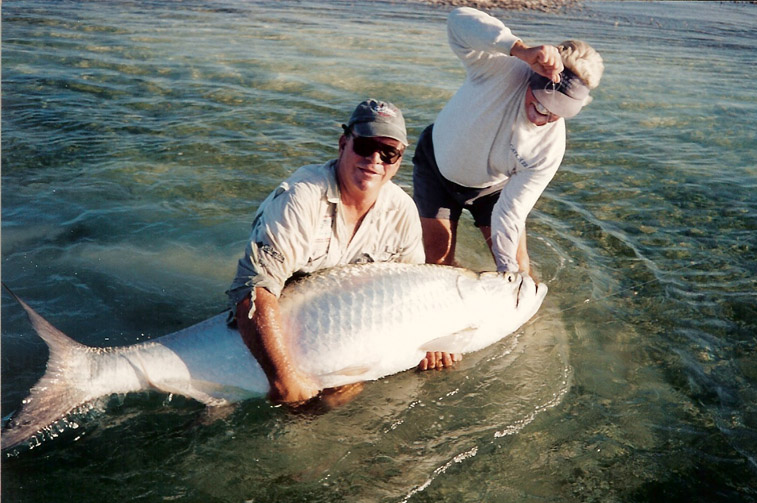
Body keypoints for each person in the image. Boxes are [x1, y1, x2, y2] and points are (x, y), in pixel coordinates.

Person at [227, 99, 424, 405]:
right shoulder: (301, 198)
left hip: (342, 325)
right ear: (344, 143)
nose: (375, 160)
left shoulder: (402, 212)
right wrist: (285, 379)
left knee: (339, 399)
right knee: (283, 396)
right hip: (274, 318)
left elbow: (411, 295)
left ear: (399, 160)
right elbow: (251, 290)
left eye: (389, 153)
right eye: (365, 146)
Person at [413, 7, 604, 279]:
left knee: (518, 271)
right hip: (437, 167)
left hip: (493, 189)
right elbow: (458, 20)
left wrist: (508, 273)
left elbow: (510, 214)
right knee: (437, 264)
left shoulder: (550, 149)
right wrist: (517, 48)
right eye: (542, 99)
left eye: (557, 110)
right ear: (532, 75)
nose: (544, 113)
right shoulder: (501, 67)